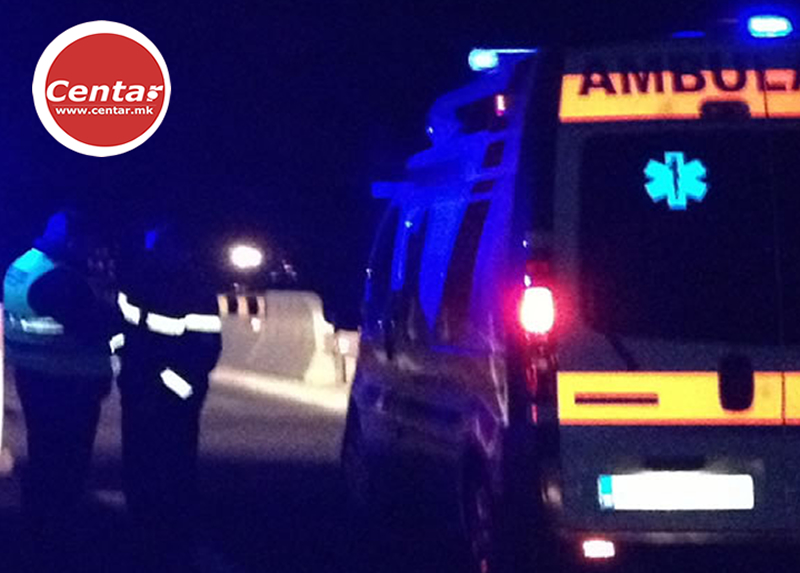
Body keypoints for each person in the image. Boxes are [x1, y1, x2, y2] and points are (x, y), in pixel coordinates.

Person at [3, 210, 118, 572]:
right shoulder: (60, 278)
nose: (91, 248)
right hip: (67, 384)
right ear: (70, 240)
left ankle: (39, 531)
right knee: (65, 467)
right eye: (85, 241)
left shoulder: (25, 264)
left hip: (37, 376)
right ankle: (55, 541)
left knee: (44, 458)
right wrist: (104, 292)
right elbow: (97, 326)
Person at [116, 222, 222, 573]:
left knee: (166, 464)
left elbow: (204, 348)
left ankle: (165, 534)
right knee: (148, 462)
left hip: (167, 395)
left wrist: (165, 381)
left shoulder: (192, 289)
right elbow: (119, 330)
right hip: (144, 389)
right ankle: (152, 531)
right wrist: (127, 370)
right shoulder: (140, 282)